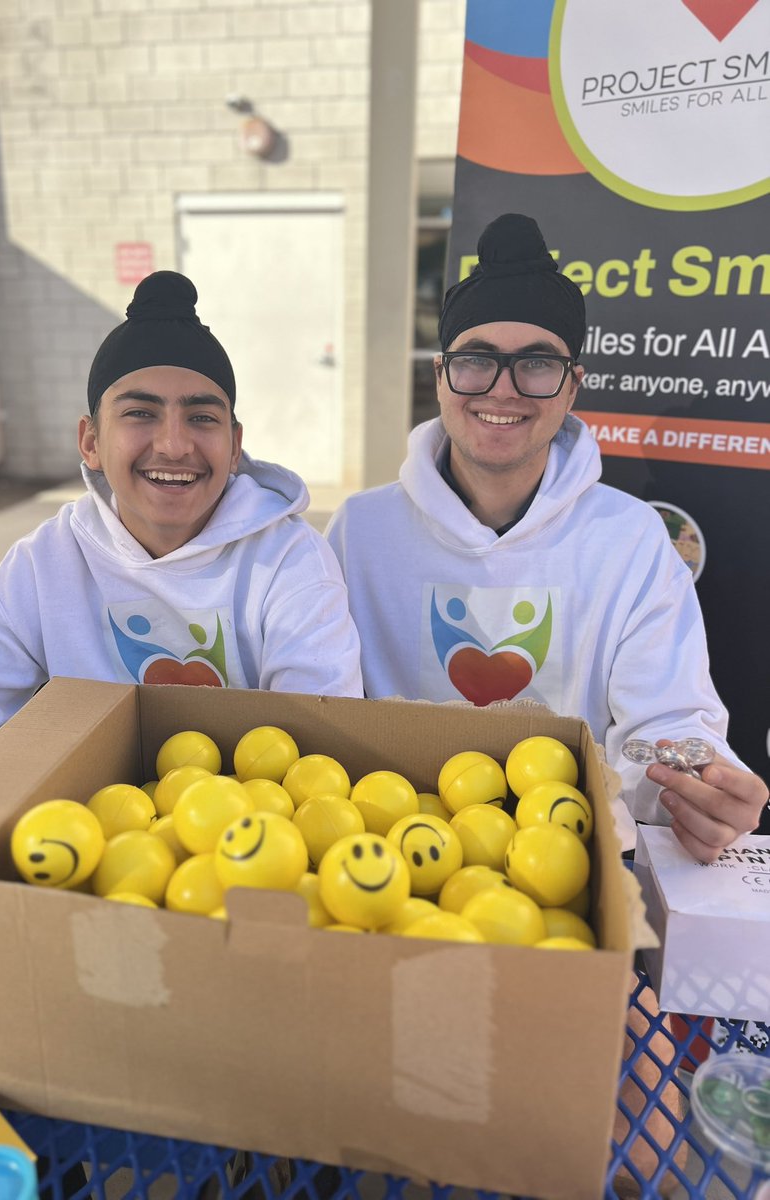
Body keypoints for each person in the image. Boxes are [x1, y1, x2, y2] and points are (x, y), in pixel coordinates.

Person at [326, 213, 767, 864]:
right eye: (476, 360)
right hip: (393, 857)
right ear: (443, 374)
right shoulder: (360, 533)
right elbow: (321, 711)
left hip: (569, 863)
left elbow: (669, 720)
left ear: (572, 386)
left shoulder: (630, 539)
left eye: (535, 364)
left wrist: (701, 777)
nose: (502, 390)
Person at [0, 271, 362, 794]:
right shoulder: (48, 564)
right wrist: (79, 791)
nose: (174, 445)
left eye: (201, 417)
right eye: (140, 413)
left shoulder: (289, 562)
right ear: (91, 441)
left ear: (234, 444)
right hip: (72, 850)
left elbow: (321, 760)